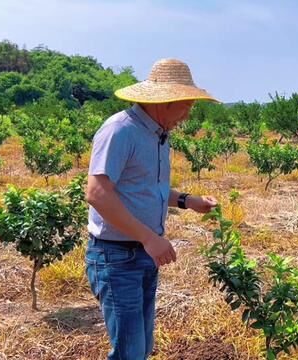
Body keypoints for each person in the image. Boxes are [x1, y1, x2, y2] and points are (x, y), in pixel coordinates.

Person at [86, 58, 219, 360]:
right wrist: (149, 237)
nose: (187, 114)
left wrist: (188, 201)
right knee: (129, 352)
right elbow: (97, 194)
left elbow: (144, 190)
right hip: (116, 257)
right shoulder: (120, 130)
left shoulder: (158, 136)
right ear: (165, 101)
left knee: (142, 348)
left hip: (143, 255)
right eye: (185, 105)